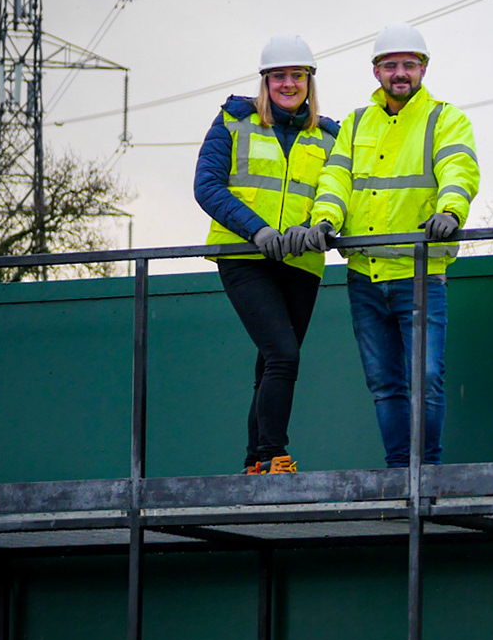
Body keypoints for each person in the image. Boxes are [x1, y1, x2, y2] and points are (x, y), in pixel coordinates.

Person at [310, 23, 478, 468]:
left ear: (423, 68)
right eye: (390, 65)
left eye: (408, 64)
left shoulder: (445, 118)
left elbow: (458, 167)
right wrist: (325, 219)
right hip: (365, 275)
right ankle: (400, 471)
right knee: (384, 384)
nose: (399, 73)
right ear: (376, 72)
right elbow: (336, 178)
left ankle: (428, 472)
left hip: (419, 273)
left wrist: (451, 211)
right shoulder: (356, 123)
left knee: (426, 379)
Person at [193, 34, 341, 475]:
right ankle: (276, 456)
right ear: (265, 80)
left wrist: (316, 226)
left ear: (310, 82)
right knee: (283, 355)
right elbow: (207, 185)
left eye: (298, 76)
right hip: (244, 257)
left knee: (270, 363)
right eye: (280, 76)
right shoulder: (233, 120)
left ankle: (255, 461)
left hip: (302, 261)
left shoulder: (330, 135)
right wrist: (256, 230)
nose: (289, 84)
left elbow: (337, 192)